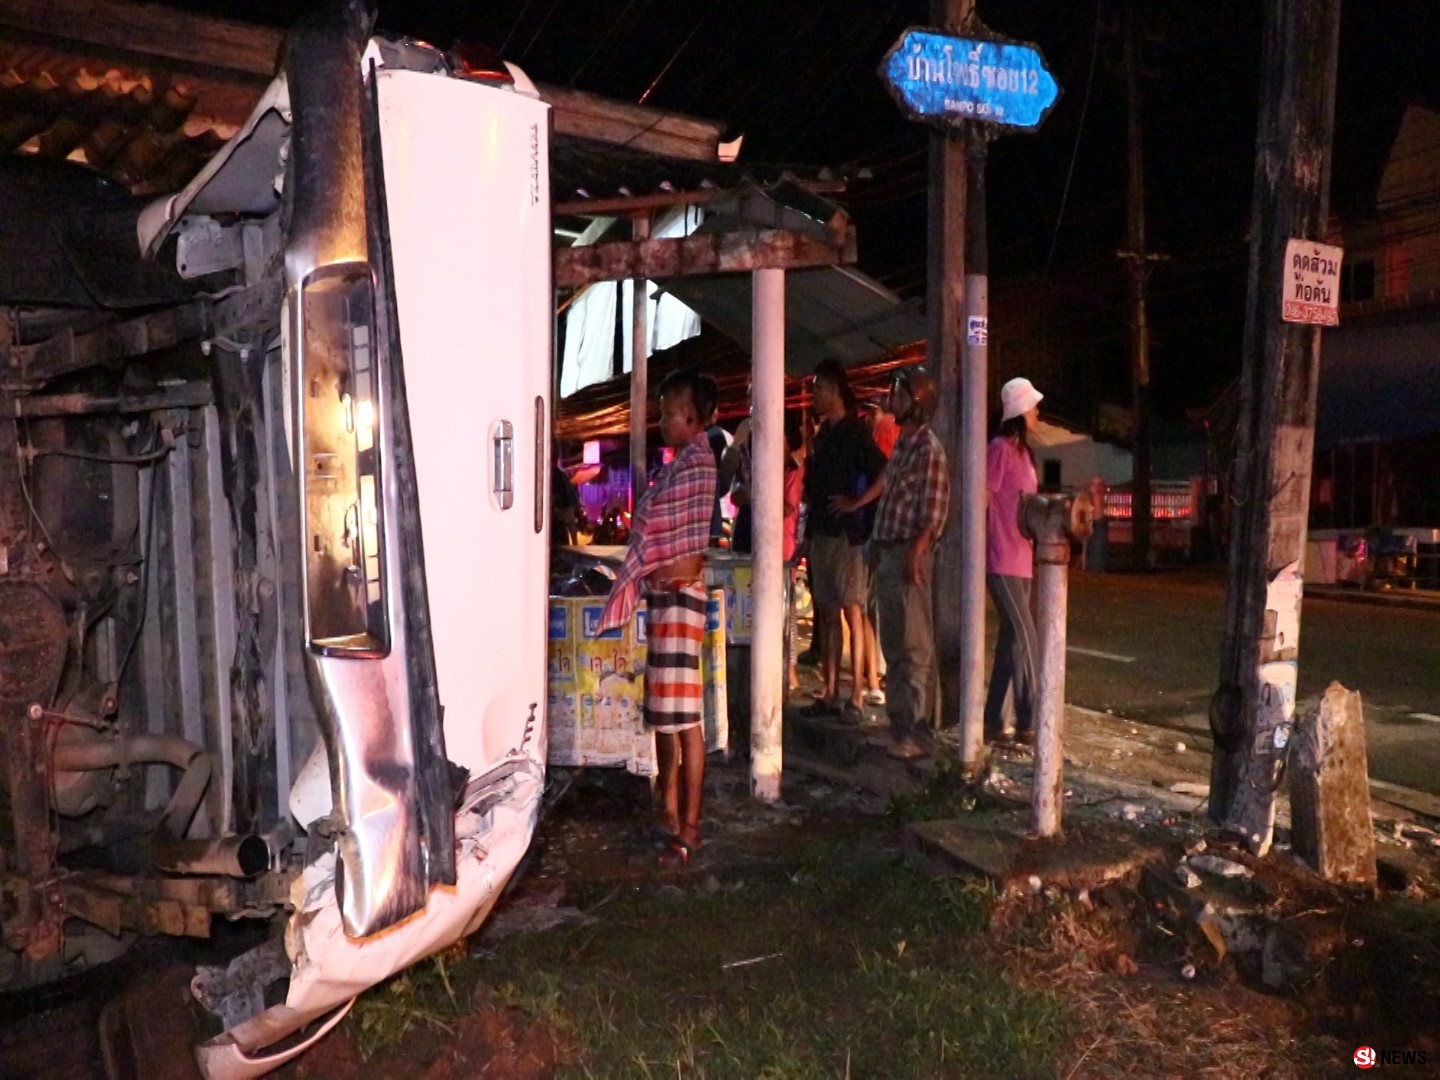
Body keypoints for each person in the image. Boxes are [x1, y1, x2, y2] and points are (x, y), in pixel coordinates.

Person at [598, 369, 718, 863]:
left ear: (692, 418)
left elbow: (652, 514)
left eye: (670, 411)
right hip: (667, 597)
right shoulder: (681, 463)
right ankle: (668, 810)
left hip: (682, 597)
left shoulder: (698, 463)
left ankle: (689, 827)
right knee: (664, 715)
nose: (663, 419)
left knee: (685, 719)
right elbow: (650, 511)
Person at [836, 369, 949, 760]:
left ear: (917, 403)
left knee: (915, 645)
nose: (891, 399)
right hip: (889, 550)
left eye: (899, 394)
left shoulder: (929, 449)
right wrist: (870, 533)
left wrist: (918, 548)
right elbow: (889, 491)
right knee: (896, 646)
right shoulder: (905, 444)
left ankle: (918, 731)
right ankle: (899, 725)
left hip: (908, 553)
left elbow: (933, 511)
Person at [802, 359, 887, 724]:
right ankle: (832, 690)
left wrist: (857, 502)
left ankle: (856, 694)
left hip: (848, 536)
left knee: (854, 612)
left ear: (835, 389)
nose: (814, 395)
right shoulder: (822, 435)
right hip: (822, 533)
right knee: (827, 613)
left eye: (819, 388)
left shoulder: (855, 432)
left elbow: (885, 472)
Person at [984, 376, 1044, 748]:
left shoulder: (1025, 454)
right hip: (1002, 556)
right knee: (1026, 636)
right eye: (1033, 405)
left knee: (1011, 642)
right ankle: (1030, 720)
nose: (1038, 411)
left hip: (1023, 558)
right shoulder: (1000, 449)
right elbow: (985, 497)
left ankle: (993, 721)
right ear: (1021, 411)